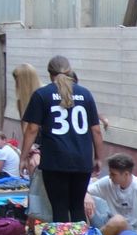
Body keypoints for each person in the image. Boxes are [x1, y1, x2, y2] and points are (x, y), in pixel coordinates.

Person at [21, 55, 104, 222]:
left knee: (59, 208)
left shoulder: (42, 95)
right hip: (82, 159)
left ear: (50, 73)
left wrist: (23, 157)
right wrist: (98, 157)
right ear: (69, 70)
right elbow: (96, 130)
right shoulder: (85, 94)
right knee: (77, 207)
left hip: (55, 160)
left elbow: (32, 129)